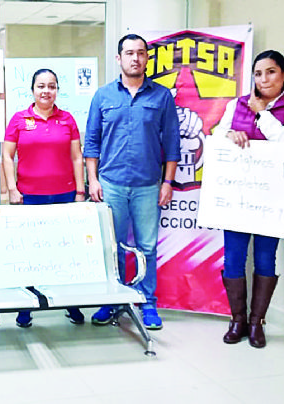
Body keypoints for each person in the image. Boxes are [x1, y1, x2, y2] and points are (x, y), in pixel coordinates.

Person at [212, 50, 284, 348]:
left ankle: (257, 322)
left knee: (266, 258)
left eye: (270, 72)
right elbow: (215, 136)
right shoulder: (235, 104)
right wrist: (228, 135)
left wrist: (260, 113)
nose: (263, 79)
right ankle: (237, 319)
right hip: (238, 197)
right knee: (234, 259)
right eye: (257, 73)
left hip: (273, 201)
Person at [84, 34, 180, 330]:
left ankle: (147, 302)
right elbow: (91, 141)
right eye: (129, 53)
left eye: (140, 53)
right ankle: (113, 299)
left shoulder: (162, 96)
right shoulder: (103, 96)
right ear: (119, 59)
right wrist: (93, 181)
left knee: (147, 246)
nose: (135, 58)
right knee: (112, 246)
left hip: (148, 185)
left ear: (147, 58)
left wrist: (168, 182)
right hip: (110, 183)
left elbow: (173, 143)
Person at [2, 68, 86, 328]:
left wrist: (80, 192)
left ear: (57, 90)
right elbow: (7, 156)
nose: (46, 91)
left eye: (51, 86)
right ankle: (26, 307)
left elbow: (76, 157)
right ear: (33, 90)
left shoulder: (67, 119)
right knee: (30, 253)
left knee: (64, 251)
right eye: (41, 86)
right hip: (29, 197)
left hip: (64, 195)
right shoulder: (19, 119)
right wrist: (12, 190)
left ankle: (70, 305)